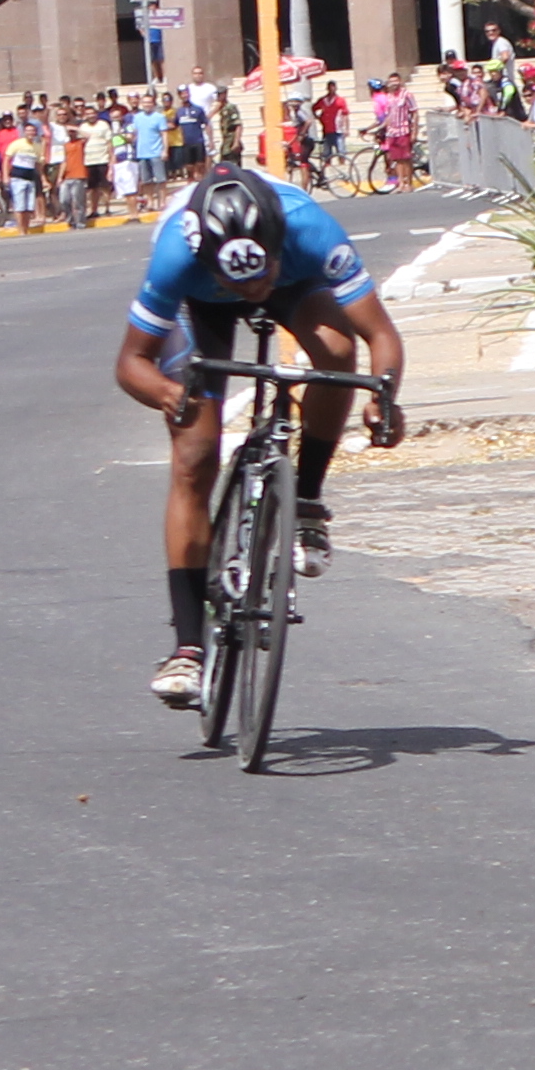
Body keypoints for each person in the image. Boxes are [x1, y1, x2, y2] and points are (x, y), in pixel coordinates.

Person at [115, 163, 410, 705]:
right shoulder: (177, 255)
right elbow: (131, 363)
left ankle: (307, 503)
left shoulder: (309, 229)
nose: (254, 291)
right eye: (241, 281)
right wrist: (168, 395)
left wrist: (383, 397)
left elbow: (379, 335)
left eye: (262, 273)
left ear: (276, 244)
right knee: (195, 457)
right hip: (199, 305)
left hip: (298, 285)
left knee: (338, 353)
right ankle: (187, 648)